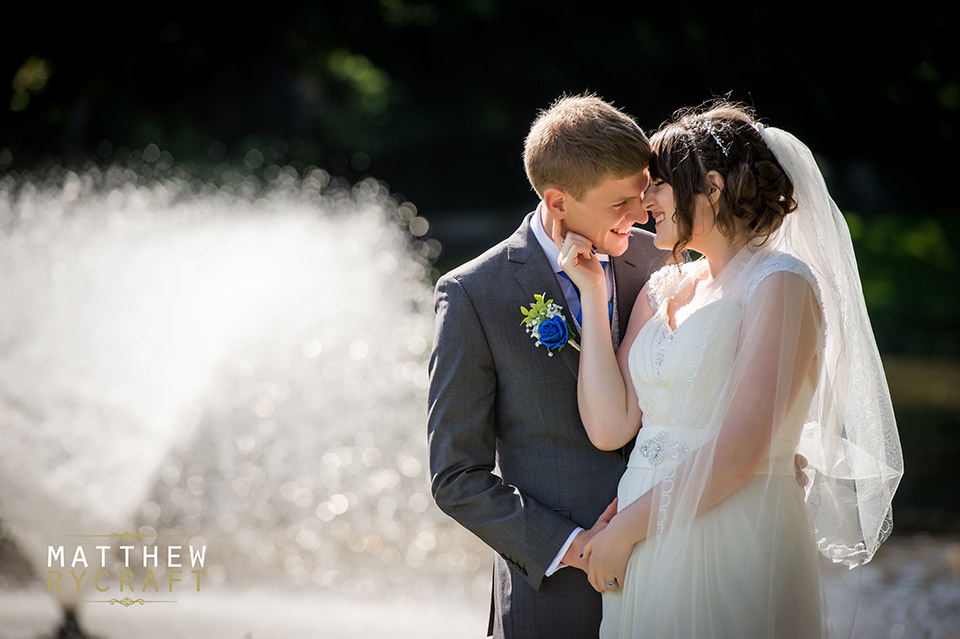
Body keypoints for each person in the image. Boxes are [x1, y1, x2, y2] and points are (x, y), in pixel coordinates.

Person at [558, 101, 903, 637]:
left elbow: (742, 449)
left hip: (729, 527)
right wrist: (594, 294)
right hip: (650, 527)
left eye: (659, 185)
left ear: (712, 188)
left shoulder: (781, 285)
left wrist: (622, 531)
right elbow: (609, 427)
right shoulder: (663, 288)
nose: (645, 201)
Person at [427, 94, 666, 638]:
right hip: (554, 600)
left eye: (642, 194)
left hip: (673, 573)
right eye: (618, 205)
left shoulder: (664, 262)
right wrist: (575, 547)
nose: (639, 215)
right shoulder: (473, 294)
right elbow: (456, 478)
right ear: (558, 201)